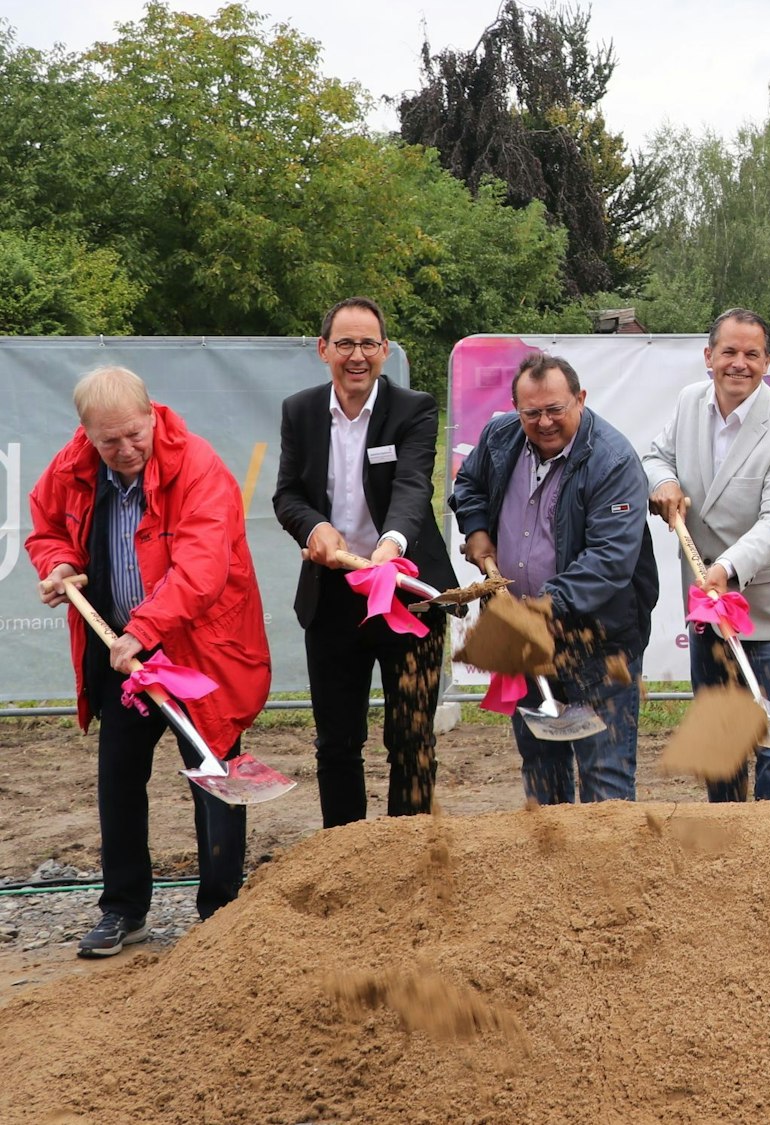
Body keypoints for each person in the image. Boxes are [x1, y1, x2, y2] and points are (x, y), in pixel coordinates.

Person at [28, 367, 270, 957]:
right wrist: (59, 565)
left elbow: (202, 570)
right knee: (118, 776)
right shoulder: (72, 466)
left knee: (214, 773)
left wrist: (145, 629)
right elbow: (47, 527)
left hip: (197, 647)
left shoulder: (198, 466)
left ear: (151, 416)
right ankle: (123, 909)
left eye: (134, 435)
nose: (125, 450)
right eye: (109, 441)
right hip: (122, 653)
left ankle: (220, 914)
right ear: (87, 434)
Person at [274, 297, 454, 827]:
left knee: (411, 739)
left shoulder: (414, 408)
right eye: (346, 344)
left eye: (369, 344)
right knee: (336, 742)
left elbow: (413, 485)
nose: (357, 356)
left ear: (385, 349)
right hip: (333, 596)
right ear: (323, 349)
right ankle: (345, 853)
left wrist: (390, 546)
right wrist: (315, 528)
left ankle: (409, 854)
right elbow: (288, 495)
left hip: (408, 592)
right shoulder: (300, 411)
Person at [450, 353, 658, 804]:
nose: (544, 422)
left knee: (605, 777)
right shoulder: (500, 436)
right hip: (524, 639)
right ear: (515, 408)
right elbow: (469, 486)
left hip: (598, 641)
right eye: (532, 413)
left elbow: (610, 558)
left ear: (580, 399)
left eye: (555, 410)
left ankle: (608, 853)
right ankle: (549, 852)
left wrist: (543, 607)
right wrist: (478, 530)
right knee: (542, 768)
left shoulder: (613, 460)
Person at [644, 308, 770, 801]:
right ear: (709, 356)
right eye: (729, 352)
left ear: (767, 362)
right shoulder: (689, 402)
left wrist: (725, 568)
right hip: (707, 605)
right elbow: (657, 456)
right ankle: (725, 835)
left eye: (751, 354)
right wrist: (665, 482)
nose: (739, 363)